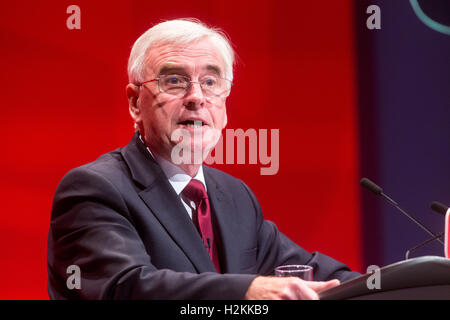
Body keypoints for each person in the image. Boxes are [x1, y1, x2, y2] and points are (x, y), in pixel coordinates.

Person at [47, 18, 360, 300]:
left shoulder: (233, 196)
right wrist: (247, 291)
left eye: (210, 82)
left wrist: (392, 285)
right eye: (173, 81)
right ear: (134, 103)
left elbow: (305, 272)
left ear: (224, 105)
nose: (196, 96)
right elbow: (128, 288)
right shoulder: (95, 189)